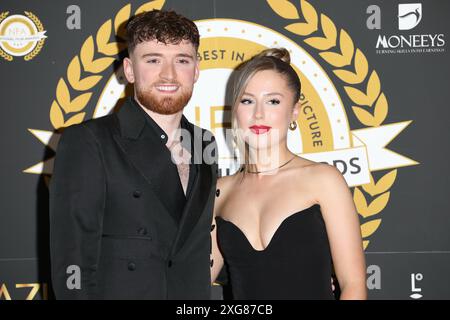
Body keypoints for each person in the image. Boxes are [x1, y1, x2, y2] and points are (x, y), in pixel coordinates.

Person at [50, 10, 217, 299]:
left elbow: (196, 247)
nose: (169, 74)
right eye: (153, 60)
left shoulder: (205, 143)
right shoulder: (89, 141)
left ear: (196, 69)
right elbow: (73, 262)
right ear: (129, 70)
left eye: (182, 60)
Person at [210, 48, 367, 299]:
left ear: (294, 111)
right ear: (235, 110)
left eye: (273, 101)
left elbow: (354, 285)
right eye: (247, 100)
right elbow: (192, 278)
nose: (258, 114)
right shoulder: (220, 191)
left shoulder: (323, 180)